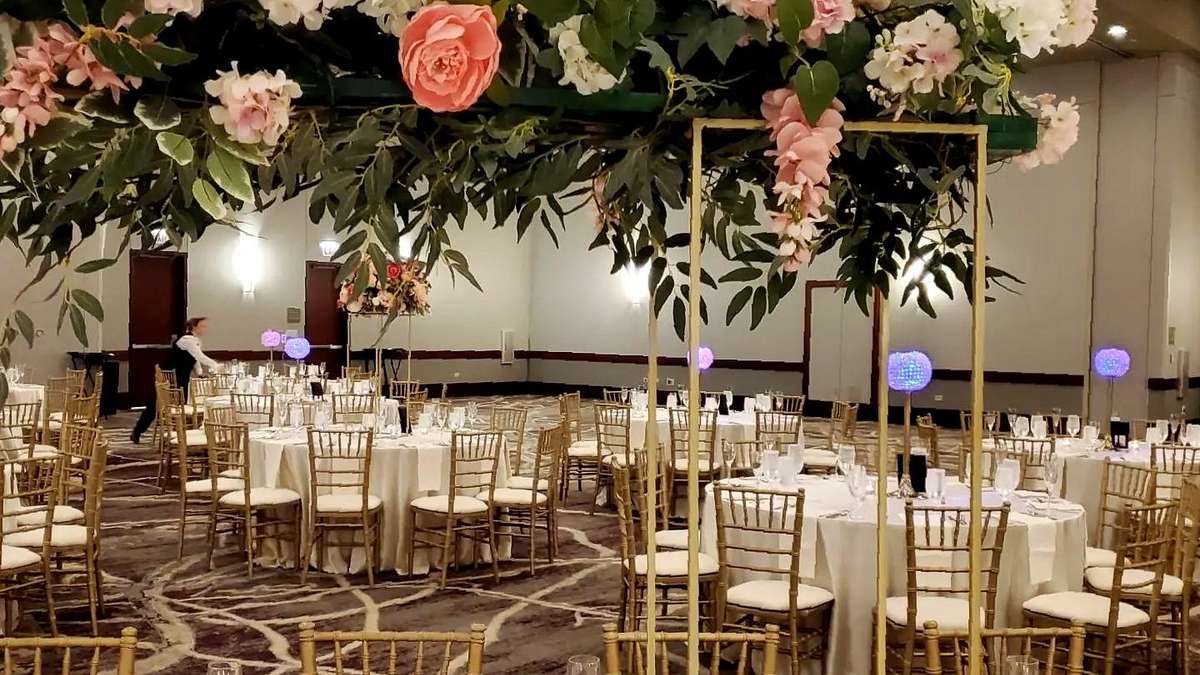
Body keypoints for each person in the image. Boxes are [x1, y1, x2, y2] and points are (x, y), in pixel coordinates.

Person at [131, 317, 220, 444]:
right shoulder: (187, 340)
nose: (205, 329)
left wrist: (200, 373)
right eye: (202, 326)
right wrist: (217, 366)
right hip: (171, 379)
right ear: (194, 327)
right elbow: (199, 356)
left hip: (181, 379)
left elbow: (195, 359)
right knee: (155, 405)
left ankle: (179, 435)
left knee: (163, 405)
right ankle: (139, 431)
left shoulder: (195, 341)